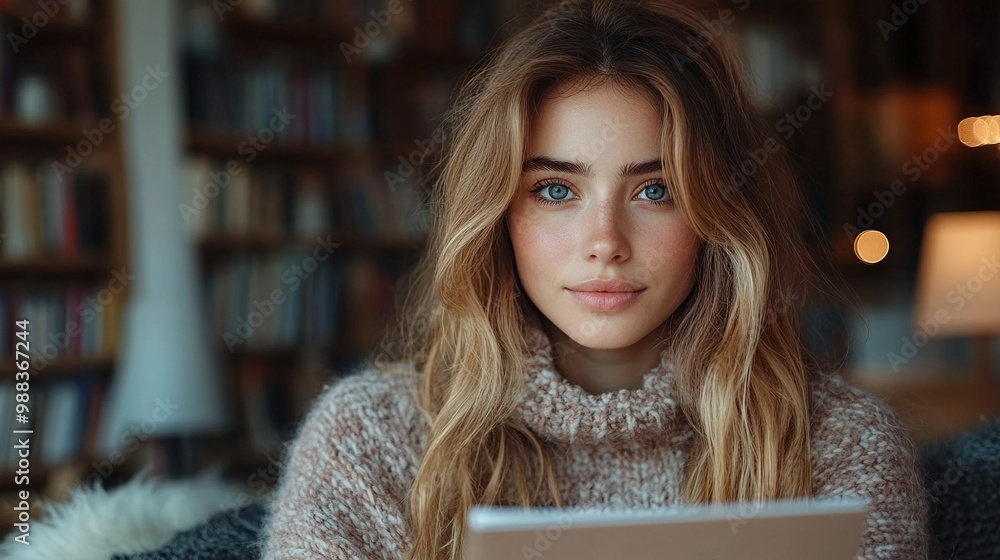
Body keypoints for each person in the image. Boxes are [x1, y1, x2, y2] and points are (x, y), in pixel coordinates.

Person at [260, 1, 929, 559]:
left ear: (719, 216)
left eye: (656, 190)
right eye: (555, 189)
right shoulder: (370, 444)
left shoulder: (841, 446)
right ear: (496, 215)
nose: (604, 243)